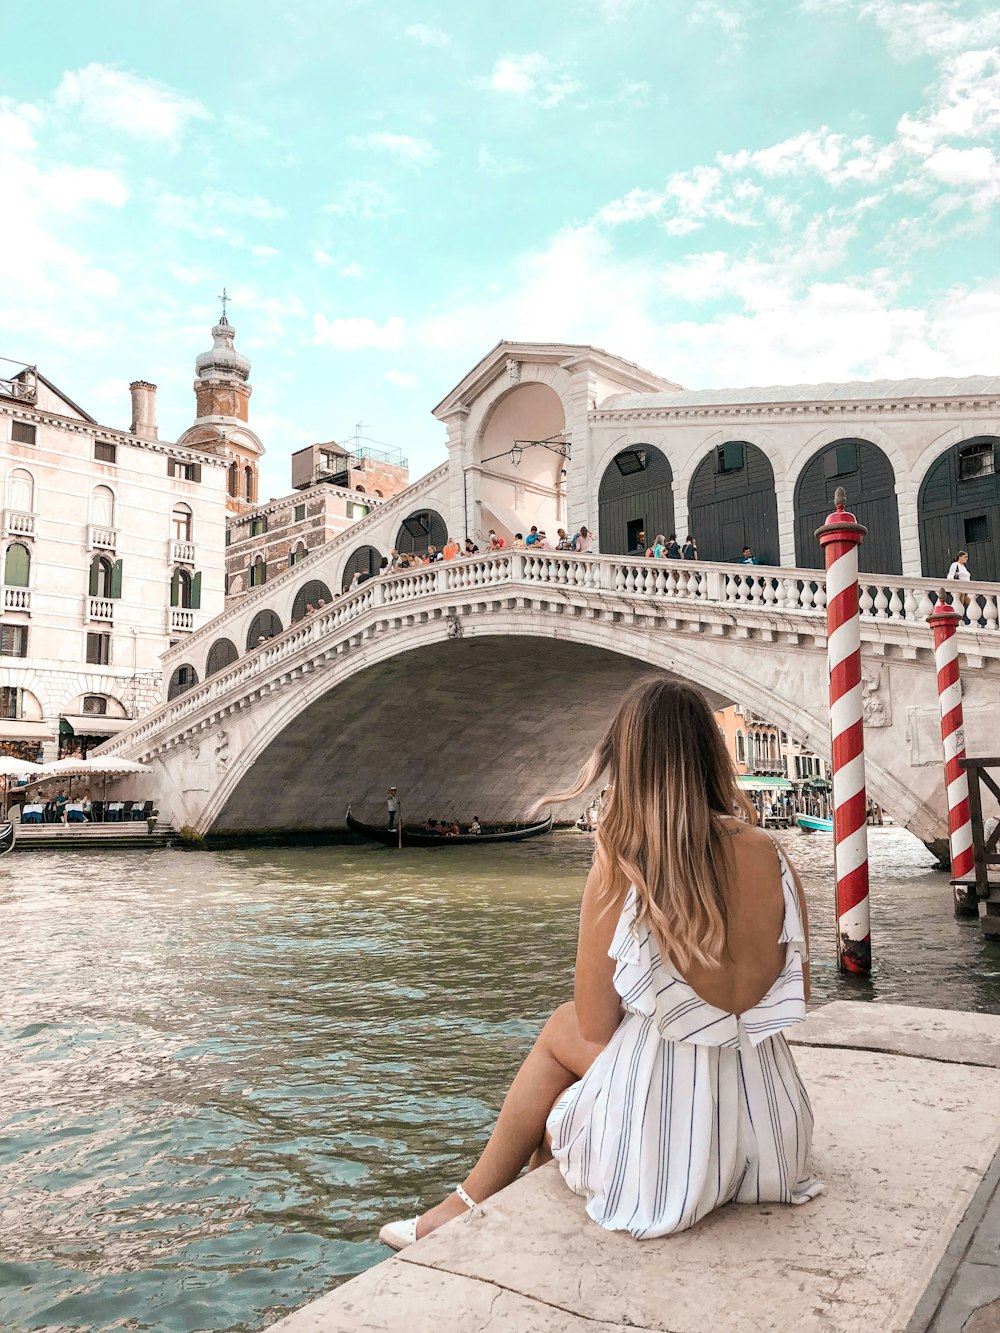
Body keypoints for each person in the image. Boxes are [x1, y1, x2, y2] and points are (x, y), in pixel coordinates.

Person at [379, 679, 820, 1249]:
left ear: (628, 763)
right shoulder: (772, 853)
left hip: (670, 1157)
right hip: (771, 1135)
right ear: (711, 755)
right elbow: (796, 994)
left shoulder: (623, 864)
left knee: (561, 1034)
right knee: (566, 1099)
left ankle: (462, 1204)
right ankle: (471, 1204)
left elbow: (595, 1025)